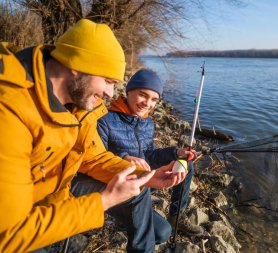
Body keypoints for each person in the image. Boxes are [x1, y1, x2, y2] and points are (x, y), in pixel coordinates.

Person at [0, 19, 186, 253]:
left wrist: (146, 176)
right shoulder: (9, 108)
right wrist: (104, 201)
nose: (110, 94)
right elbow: (8, 234)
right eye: (108, 81)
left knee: (138, 189)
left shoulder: (79, 106)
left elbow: (92, 157)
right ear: (77, 65)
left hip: (59, 191)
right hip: (21, 220)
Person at [97, 69, 204, 235]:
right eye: (143, 95)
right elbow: (95, 160)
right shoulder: (105, 120)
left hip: (145, 177)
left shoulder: (147, 123)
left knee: (185, 165)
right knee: (162, 233)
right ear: (129, 91)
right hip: (120, 183)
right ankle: (123, 217)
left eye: (154, 99)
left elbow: (149, 155)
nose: (147, 103)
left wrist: (176, 153)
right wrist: (124, 159)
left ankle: (176, 215)